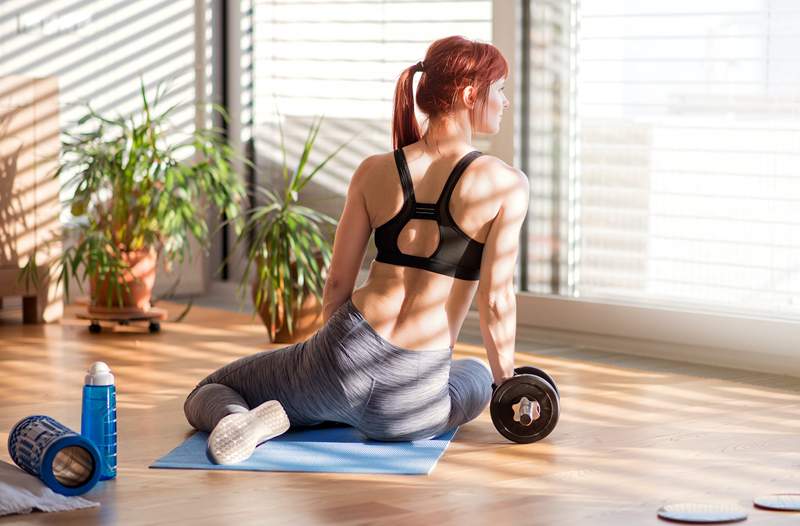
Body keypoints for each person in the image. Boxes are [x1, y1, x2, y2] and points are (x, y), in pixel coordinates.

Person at [183, 35, 529, 464]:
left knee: (210, 391)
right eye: (499, 89)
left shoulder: (374, 171)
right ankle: (329, 407)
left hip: (341, 357)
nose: (505, 101)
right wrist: (509, 383)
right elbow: (495, 300)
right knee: (476, 374)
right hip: (410, 405)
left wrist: (329, 369)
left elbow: (337, 283)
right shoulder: (505, 183)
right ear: (469, 93)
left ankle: (245, 418)